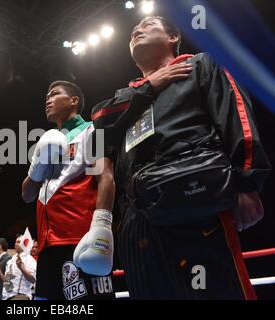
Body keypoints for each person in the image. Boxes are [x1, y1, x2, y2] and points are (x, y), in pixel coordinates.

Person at [91, 16, 271, 299]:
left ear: (173, 37)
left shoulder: (200, 65)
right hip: (138, 225)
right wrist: (148, 87)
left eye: (148, 25)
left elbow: (236, 117)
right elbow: (98, 125)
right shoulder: (126, 98)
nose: (137, 30)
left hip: (195, 202)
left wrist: (247, 181)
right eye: (133, 31)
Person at [21, 81, 116, 300]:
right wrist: (37, 164)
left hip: (79, 241)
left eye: (54, 94)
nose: (48, 99)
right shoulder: (48, 142)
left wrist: (102, 228)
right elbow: (27, 195)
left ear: (74, 101)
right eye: (46, 95)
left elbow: (106, 177)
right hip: (46, 245)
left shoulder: (92, 130)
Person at [0, 235, 37, 300]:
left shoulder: (30, 260)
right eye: (15, 242)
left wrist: (21, 268)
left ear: (25, 244)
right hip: (7, 296)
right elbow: (7, 282)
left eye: (18, 242)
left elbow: (33, 279)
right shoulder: (11, 261)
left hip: (20, 296)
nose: (16, 244)